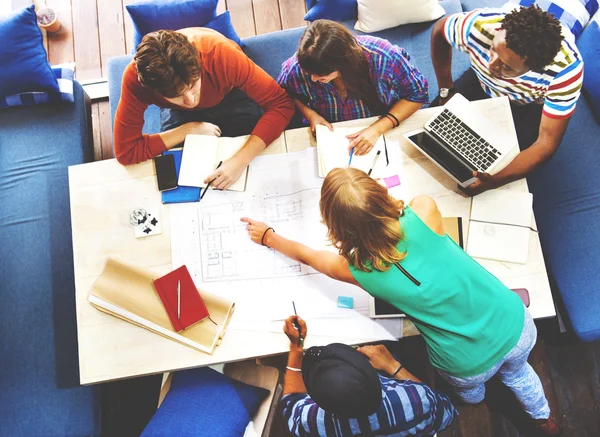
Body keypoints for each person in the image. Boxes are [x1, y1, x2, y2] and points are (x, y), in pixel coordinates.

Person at [241, 168, 560, 435]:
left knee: (472, 390)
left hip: (466, 362)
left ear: (336, 227)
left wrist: (269, 236)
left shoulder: (358, 270)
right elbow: (410, 212)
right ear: (379, 194)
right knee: (518, 371)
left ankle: (474, 400)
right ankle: (543, 416)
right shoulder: (423, 210)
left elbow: (308, 256)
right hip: (515, 323)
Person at [430, 3, 584, 195]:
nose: (491, 65)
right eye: (493, 49)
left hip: (525, 106)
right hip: (478, 84)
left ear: (536, 68)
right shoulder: (480, 24)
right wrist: (446, 89)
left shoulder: (566, 71)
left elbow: (546, 143)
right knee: (431, 131)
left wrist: (493, 181)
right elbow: (439, 31)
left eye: (507, 67)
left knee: (503, 164)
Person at [114, 28, 295, 189]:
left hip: (229, 93)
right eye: (178, 95)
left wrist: (240, 161)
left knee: (262, 161)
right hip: (181, 116)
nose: (191, 100)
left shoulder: (220, 55)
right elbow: (126, 152)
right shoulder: (135, 81)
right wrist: (187, 130)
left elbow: (281, 106)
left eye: (193, 86)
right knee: (181, 178)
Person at [279, 315, 458, 436]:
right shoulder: (416, 401)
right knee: (395, 349)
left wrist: (296, 346)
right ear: (371, 375)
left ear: (316, 400)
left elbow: (291, 402)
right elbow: (447, 411)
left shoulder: (314, 423)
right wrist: (392, 365)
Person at [278, 20, 429, 156]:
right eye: (309, 73)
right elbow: (284, 96)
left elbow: (417, 94)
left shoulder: (383, 56)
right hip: (330, 136)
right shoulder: (296, 68)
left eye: (320, 75)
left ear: (343, 63)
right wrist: (311, 115)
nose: (313, 79)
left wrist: (377, 129)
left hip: (382, 124)